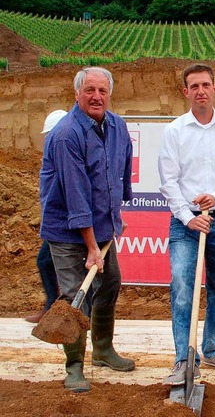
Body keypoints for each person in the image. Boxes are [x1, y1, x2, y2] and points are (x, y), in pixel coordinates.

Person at [40, 67, 135, 393]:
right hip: (67, 232)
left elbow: (120, 169)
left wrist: (116, 213)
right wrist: (93, 247)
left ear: (110, 93)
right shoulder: (67, 134)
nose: (97, 97)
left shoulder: (118, 126)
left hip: (102, 228)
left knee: (110, 283)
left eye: (102, 91)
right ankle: (74, 367)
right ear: (77, 93)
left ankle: (104, 350)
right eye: (90, 90)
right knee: (75, 296)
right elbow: (76, 196)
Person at [158, 63, 215, 385]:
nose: (200, 91)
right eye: (194, 86)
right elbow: (168, 182)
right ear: (186, 92)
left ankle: (211, 348)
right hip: (185, 223)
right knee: (182, 289)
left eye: (205, 85)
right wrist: (189, 217)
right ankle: (185, 358)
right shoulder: (174, 131)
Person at [26, 111, 68, 324]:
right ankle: (55, 307)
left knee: (46, 261)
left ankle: (56, 307)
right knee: (48, 262)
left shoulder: (66, 151)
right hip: (59, 220)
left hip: (65, 222)